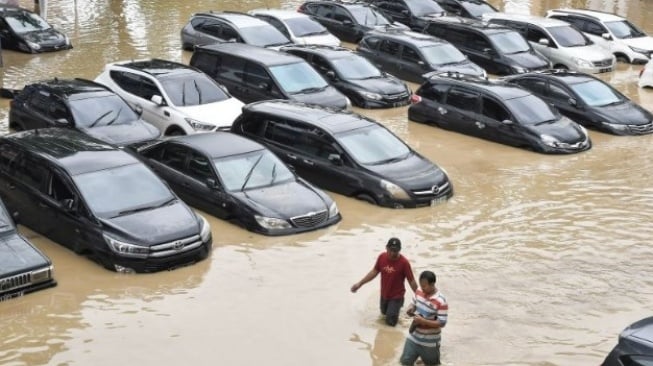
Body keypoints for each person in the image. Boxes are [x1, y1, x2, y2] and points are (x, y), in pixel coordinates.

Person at [351, 237, 418, 326]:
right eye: (391, 250)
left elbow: (411, 281)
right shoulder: (381, 257)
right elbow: (374, 272)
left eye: (396, 251)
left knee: (390, 322)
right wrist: (360, 283)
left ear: (399, 250)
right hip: (384, 295)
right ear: (386, 248)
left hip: (397, 296)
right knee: (383, 315)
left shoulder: (404, 263)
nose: (393, 253)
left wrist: (420, 296)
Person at [399, 270, 448, 366]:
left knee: (432, 364)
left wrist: (423, 321)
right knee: (405, 362)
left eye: (424, 286)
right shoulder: (419, 291)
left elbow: (442, 323)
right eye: (421, 285)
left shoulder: (441, 301)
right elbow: (413, 303)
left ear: (432, 284)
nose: (422, 288)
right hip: (414, 337)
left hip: (430, 343)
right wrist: (410, 309)